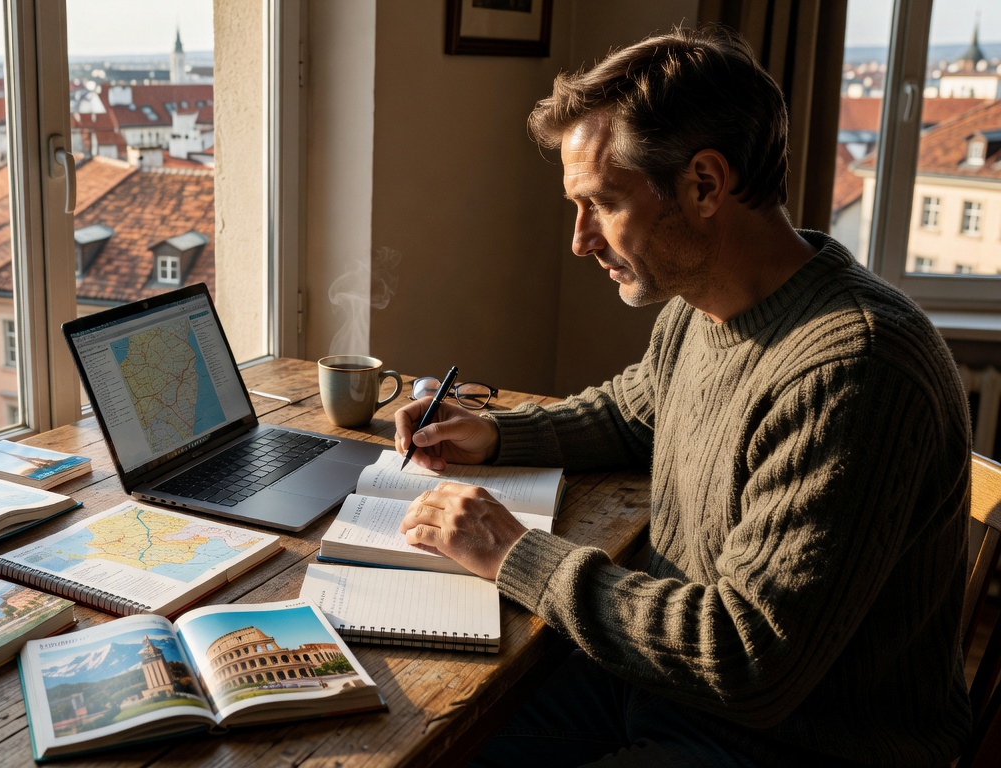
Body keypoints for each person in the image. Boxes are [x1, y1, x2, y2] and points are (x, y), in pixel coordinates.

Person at [394, 25, 972, 767]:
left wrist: (514, 553)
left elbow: (748, 657)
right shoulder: (702, 308)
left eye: (602, 203)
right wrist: (498, 434)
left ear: (704, 184)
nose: (580, 240)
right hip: (667, 690)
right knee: (426, 741)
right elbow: (633, 412)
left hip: (794, 742)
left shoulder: (854, 369)